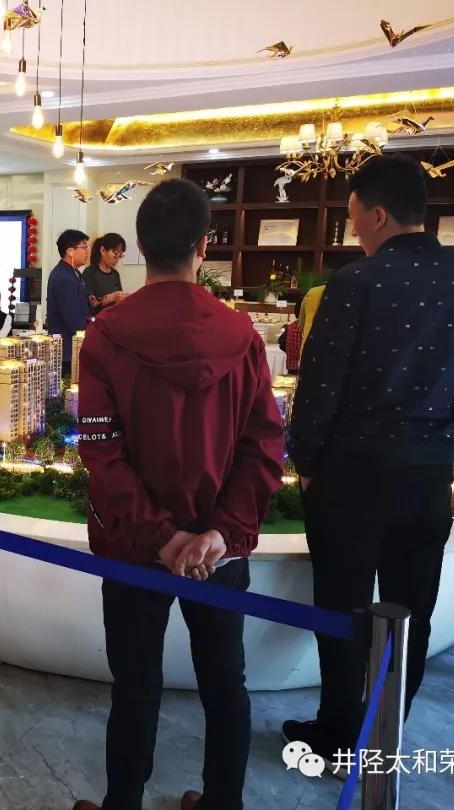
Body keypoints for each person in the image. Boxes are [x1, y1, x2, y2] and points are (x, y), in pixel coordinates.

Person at [73, 179, 284, 810]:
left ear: (139, 246)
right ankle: (223, 802)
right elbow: (264, 447)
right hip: (220, 550)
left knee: (135, 683)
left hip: (133, 546)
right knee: (225, 681)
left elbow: (101, 451)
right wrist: (219, 532)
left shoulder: (107, 334)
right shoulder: (242, 334)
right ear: (204, 245)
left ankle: (123, 803)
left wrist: (161, 538)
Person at [285, 155, 454, 771]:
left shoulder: (355, 283)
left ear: (376, 214)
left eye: (352, 218)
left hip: (352, 472)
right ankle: (387, 731)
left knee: (341, 608)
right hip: (429, 470)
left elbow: (320, 388)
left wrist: (306, 464)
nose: (353, 230)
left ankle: (337, 734)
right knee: (411, 611)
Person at [46, 229, 92, 377]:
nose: (88, 251)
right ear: (70, 251)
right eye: (84, 246)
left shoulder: (74, 272)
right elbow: (72, 318)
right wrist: (90, 339)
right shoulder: (64, 277)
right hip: (67, 350)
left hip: (73, 346)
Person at [83, 233, 128, 313]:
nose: (117, 259)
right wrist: (110, 298)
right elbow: (89, 305)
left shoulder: (115, 274)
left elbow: (118, 300)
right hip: (98, 319)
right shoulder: (90, 273)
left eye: (120, 256)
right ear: (103, 250)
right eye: (115, 254)